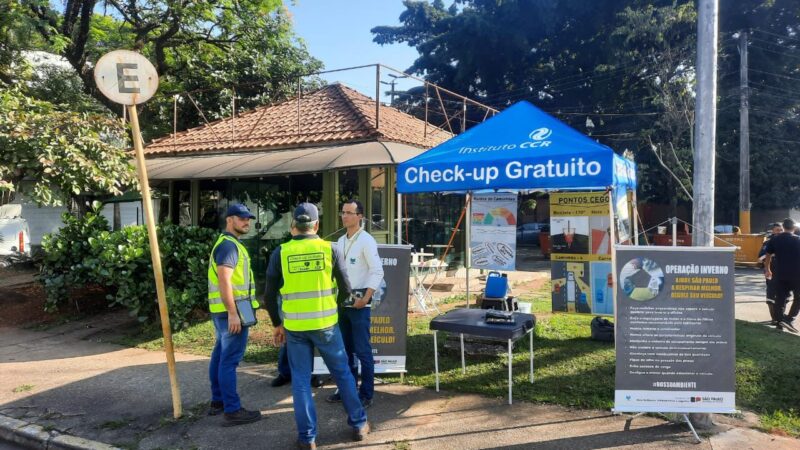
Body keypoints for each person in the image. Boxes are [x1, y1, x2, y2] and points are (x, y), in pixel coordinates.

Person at [264, 203, 369, 449]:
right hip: (327, 326)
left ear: (293, 227)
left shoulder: (280, 252)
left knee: (300, 381)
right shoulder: (330, 249)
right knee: (342, 373)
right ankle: (358, 424)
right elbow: (346, 289)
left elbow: (268, 296)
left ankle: (308, 438)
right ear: (316, 225)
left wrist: (277, 324)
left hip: (295, 328)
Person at [207, 204, 263, 426]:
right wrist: (233, 313)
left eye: (248, 219)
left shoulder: (229, 244)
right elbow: (224, 280)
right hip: (232, 312)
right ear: (230, 220)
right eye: (242, 219)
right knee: (228, 360)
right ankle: (232, 409)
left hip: (225, 312)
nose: (246, 222)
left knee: (220, 356)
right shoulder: (229, 246)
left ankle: (218, 401)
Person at [327, 200, 384, 408]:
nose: (345, 216)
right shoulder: (340, 241)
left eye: (349, 213)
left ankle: (366, 393)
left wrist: (366, 298)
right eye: (343, 212)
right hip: (343, 303)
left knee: (362, 350)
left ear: (360, 216)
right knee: (344, 350)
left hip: (360, 305)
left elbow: (377, 271)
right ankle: (347, 390)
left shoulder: (366, 240)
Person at [764, 218, 800, 333]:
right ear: (794, 228)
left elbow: (768, 255)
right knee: (798, 298)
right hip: (796, 275)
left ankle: (779, 323)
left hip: (779, 274)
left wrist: (767, 269)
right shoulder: (798, 240)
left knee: (780, 299)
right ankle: (789, 319)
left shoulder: (775, 239)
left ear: (783, 227)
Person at [758, 222, 783, 324]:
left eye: (781, 230)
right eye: (777, 230)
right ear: (773, 231)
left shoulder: (787, 241)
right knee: (770, 298)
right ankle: (774, 319)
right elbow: (760, 258)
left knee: (783, 297)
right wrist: (772, 253)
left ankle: (780, 319)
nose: (780, 232)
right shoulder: (768, 243)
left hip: (784, 274)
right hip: (771, 274)